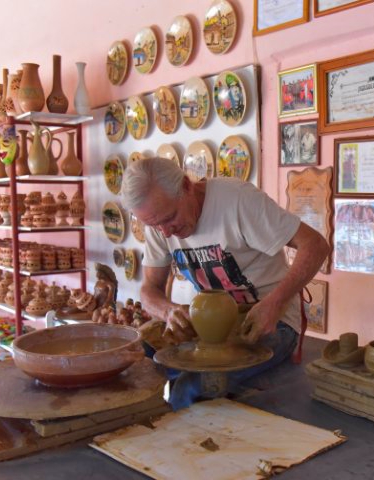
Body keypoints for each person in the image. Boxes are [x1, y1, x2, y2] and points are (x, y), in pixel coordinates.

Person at [121, 158, 329, 409]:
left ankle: (187, 444)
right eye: (154, 226)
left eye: (169, 218)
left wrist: (274, 303)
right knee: (134, 361)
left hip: (268, 319)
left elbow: (315, 246)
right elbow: (149, 290)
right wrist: (168, 311)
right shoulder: (158, 221)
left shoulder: (238, 201)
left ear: (186, 186)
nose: (165, 232)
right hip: (210, 323)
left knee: (192, 385)